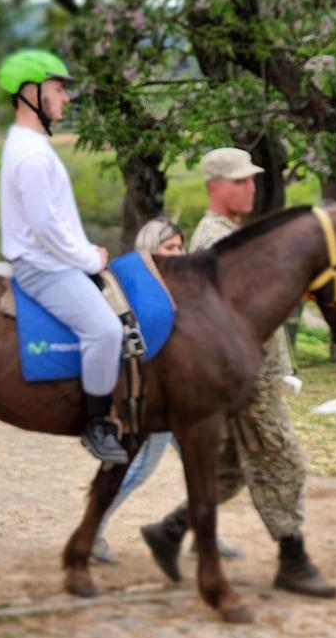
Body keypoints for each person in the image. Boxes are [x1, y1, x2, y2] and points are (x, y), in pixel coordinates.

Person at [140, 147, 336, 598]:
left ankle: (169, 531)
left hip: (255, 370)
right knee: (283, 458)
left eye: (252, 179)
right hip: (246, 377)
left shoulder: (231, 233)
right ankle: (293, 560)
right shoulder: (214, 239)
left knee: (230, 467)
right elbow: (231, 315)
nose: (251, 187)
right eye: (241, 180)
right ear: (216, 186)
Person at [0, 48, 127, 464]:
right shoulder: (32, 155)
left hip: (56, 258)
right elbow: (46, 227)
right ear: (32, 92)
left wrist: (88, 250)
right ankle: (96, 424)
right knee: (106, 331)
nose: (65, 99)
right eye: (58, 89)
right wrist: (88, 259)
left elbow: (56, 220)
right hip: (46, 268)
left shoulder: (30, 146)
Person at [91, 217, 242, 565]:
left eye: (179, 247)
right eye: (168, 248)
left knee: (204, 465)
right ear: (149, 251)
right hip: (156, 400)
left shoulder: (175, 286)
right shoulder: (139, 289)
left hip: (184, 398)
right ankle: (94, 528)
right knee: (140, 466)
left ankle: (206, 532)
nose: (177, 253)